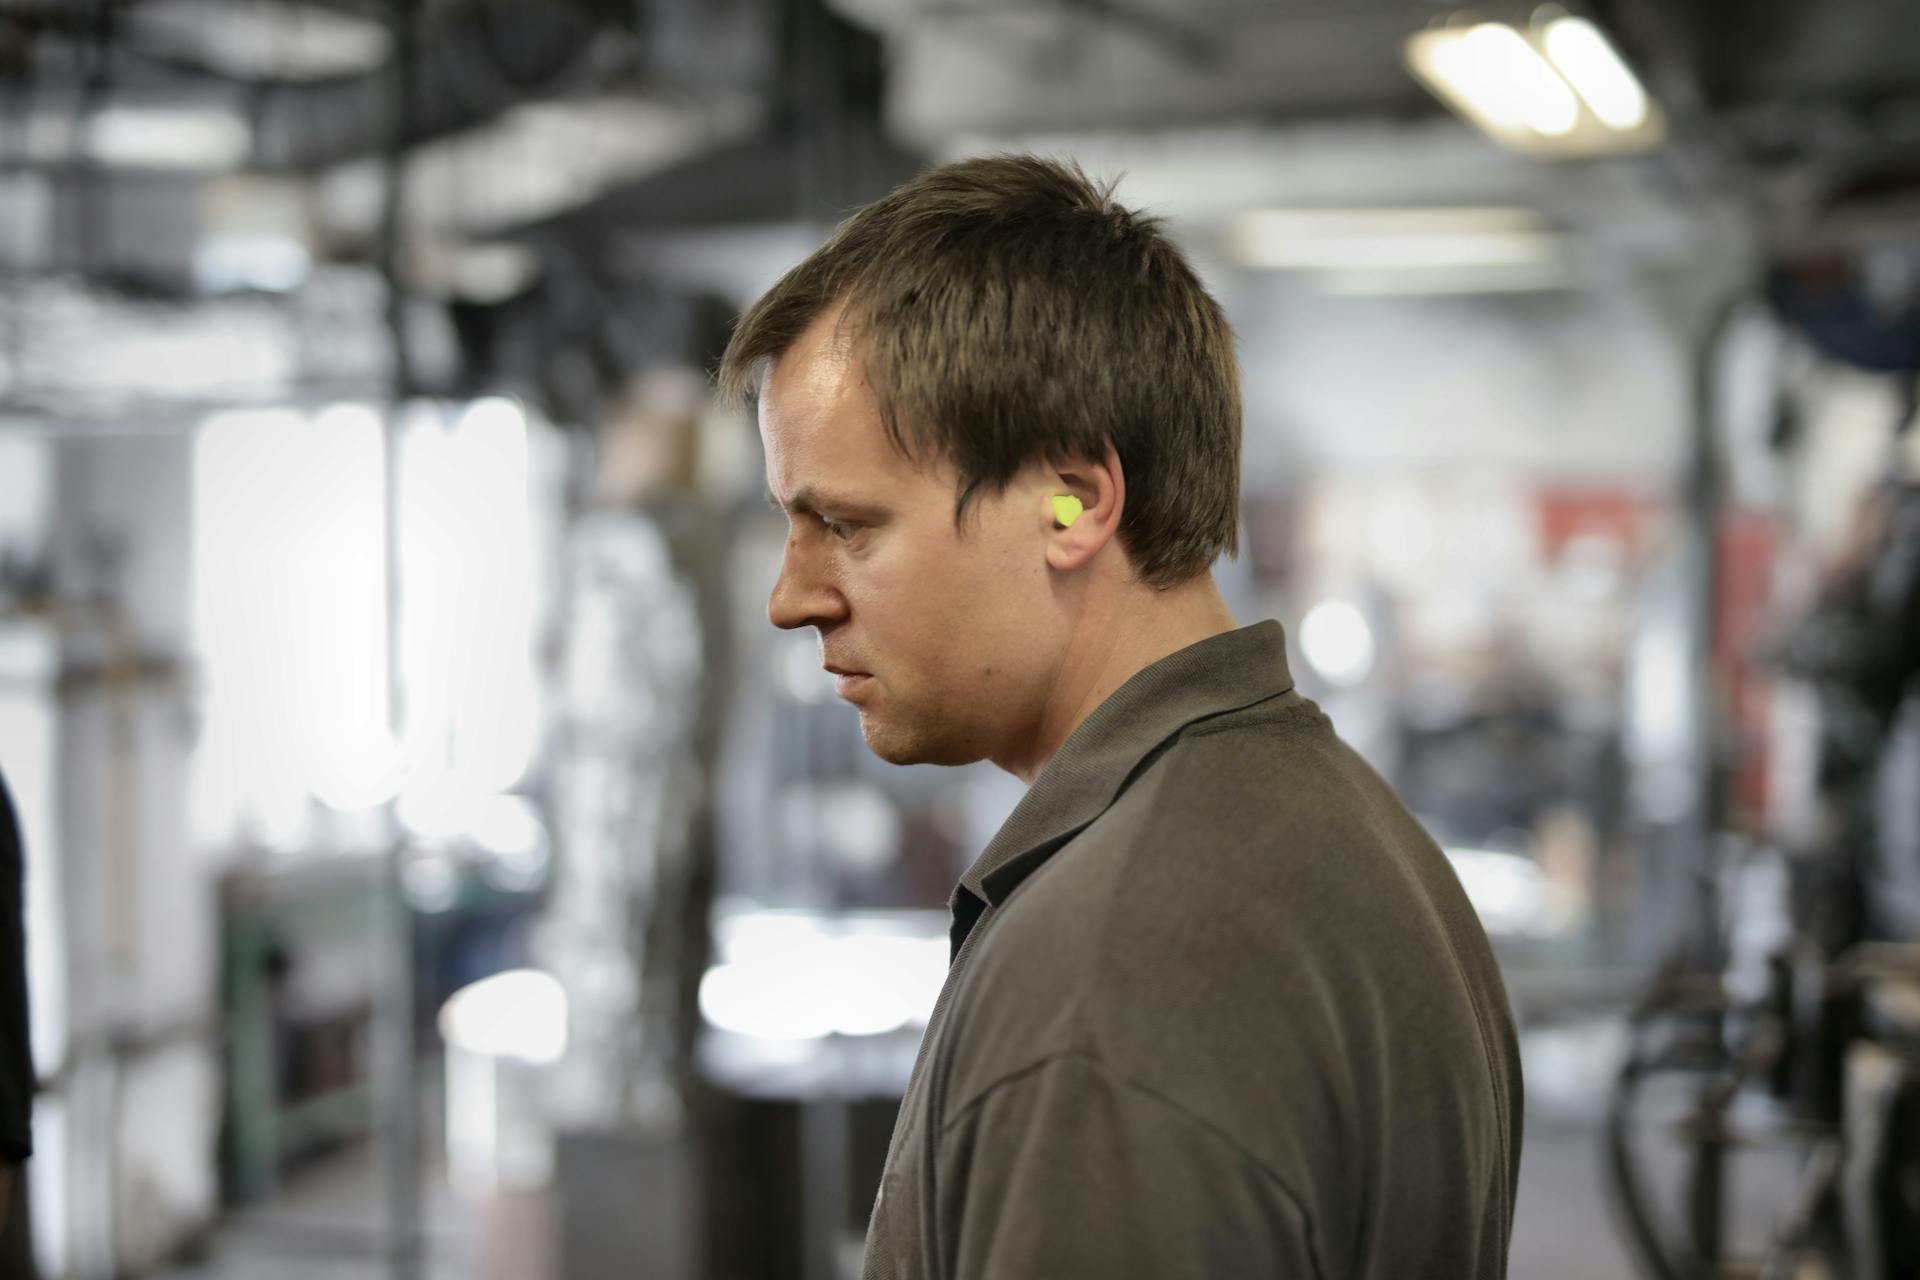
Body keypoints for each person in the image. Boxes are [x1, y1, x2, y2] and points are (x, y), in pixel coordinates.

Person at [718, 155, 1522, 1279]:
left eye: (847, 523)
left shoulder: (1109, 984)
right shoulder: (1336, 827)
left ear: (1076, 501)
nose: (791, 595)